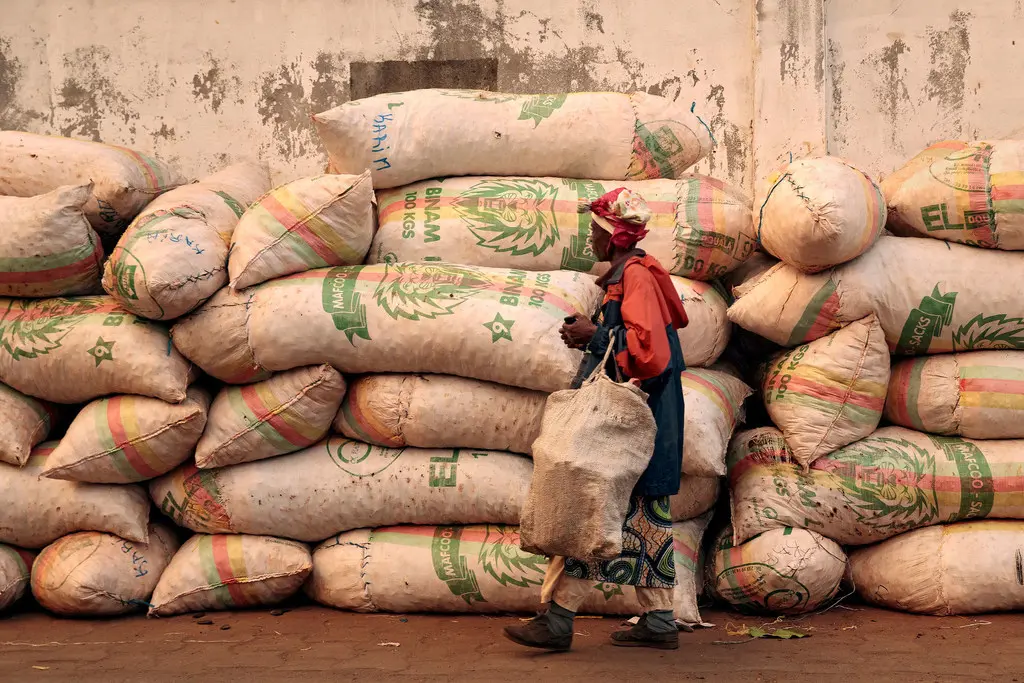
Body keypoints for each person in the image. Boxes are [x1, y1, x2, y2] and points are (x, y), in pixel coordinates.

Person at [504, 187, 688, 652]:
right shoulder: (627, 275)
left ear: (613, 236)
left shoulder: (638, 278)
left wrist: (597, 334)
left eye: (594, 232)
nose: (589, 240)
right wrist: (594, 335)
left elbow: (651, 355)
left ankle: (560, 621)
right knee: (641, 519)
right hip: (643, 417)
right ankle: (661, 620)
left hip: (636, 420)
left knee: (594, 506)